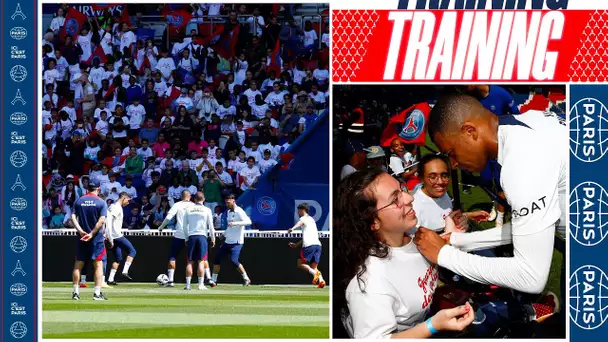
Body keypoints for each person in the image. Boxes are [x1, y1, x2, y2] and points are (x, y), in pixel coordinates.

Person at [414, 94, 566, 296]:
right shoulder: (529, 121)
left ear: (469, 131)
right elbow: (528, 228)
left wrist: (444, 255)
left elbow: (531, 276)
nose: (453, 164)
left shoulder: (521, 164)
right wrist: (459, 241)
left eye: (451, 153)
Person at [335, 168, 474, 338]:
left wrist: (450, 235)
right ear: (373, 222)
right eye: (395, 200)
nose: (410, 198)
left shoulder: (412, 232)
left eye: (402, 190)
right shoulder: (370, 283)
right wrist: (431, 326)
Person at [412, 154, 489, 233]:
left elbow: (443, 216)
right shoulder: (413, 210)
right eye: (432, 177)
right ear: (421, 178)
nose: (440, 182)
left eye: (444, 175)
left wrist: (467, 216)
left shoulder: (440, 193)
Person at [70, 181, 109, 300]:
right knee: (98, 264)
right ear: (98, 189)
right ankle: (97, 294)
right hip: (96, 238)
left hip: (81, 237)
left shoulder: (79, 200)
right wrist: (92, 234)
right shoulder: (101, 202)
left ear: (87, 188)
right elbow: (101, 220)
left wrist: (81, 231)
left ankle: (75, 293)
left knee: (78, 264)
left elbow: (72, 217)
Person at [158, 190, 197, 287]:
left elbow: (168, 218)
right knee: (190, 259)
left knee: (172, 257)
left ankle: (171, 281)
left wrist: (161, 227)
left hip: (179, 234)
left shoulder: (177, 205)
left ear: (181, 196)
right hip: (191, 235)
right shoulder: (194, 206)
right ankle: (191, 282)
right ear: (190, 196)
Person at [212, 194, 253, 286]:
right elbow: (229, 227)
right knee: (216, 259)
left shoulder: (239, 211)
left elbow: (248, 222)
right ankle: (213, 280)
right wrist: (224, 234)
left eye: (228, 202)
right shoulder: (228, 212)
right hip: (227, 241)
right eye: (226, 202)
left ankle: (246, 279)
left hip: (237, 242)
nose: (227, 204)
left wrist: (236, 223)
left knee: (234, 261)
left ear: (233, 200)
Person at [287, 203, 326, 288]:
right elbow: (306, 236)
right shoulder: (311, 220)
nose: (298, 212)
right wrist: (296, 245)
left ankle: (315, 274)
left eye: (298, 210)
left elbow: (299, 223)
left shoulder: (303, 218)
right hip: (318, 245)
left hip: (309, 245)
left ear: (302, 210)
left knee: (300, 264)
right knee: (313, 267)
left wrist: (292, 229)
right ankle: (321, 281)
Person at [183, 191, 216, 290]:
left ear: (194, 199)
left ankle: (188, 285)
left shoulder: (188, 210)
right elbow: (211, 226)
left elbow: (184, 226)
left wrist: (186, 238)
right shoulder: (207, 210)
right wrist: (213, 239)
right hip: (202, 236)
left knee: (190, 262)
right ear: (204, 199)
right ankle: (200, 285)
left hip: (192, 236)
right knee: (201, 261)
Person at [105, 192, 137, 285]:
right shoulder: (117, 207)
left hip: (113, 236)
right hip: (116, 236)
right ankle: (125, 271)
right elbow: (109, 221)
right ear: (123, 198)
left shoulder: (113, 206)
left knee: (118, 258)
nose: (128, 202)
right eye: (128, 200)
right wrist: (109, 236)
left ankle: (110, 279)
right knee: (133, 251)